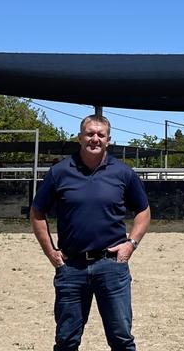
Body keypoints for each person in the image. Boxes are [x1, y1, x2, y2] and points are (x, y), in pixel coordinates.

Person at [30, 114, 150, 351]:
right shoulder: (59, 172)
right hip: (71, 268)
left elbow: (144, 211)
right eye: (90, 134)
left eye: (100, 135)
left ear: (108, 140)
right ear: (79, 137)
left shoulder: (123, 173)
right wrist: (50, 252)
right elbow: (37, 212)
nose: (95, 139)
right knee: (66, 340)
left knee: (121, 339)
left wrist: (131, 244)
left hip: (112, 266)